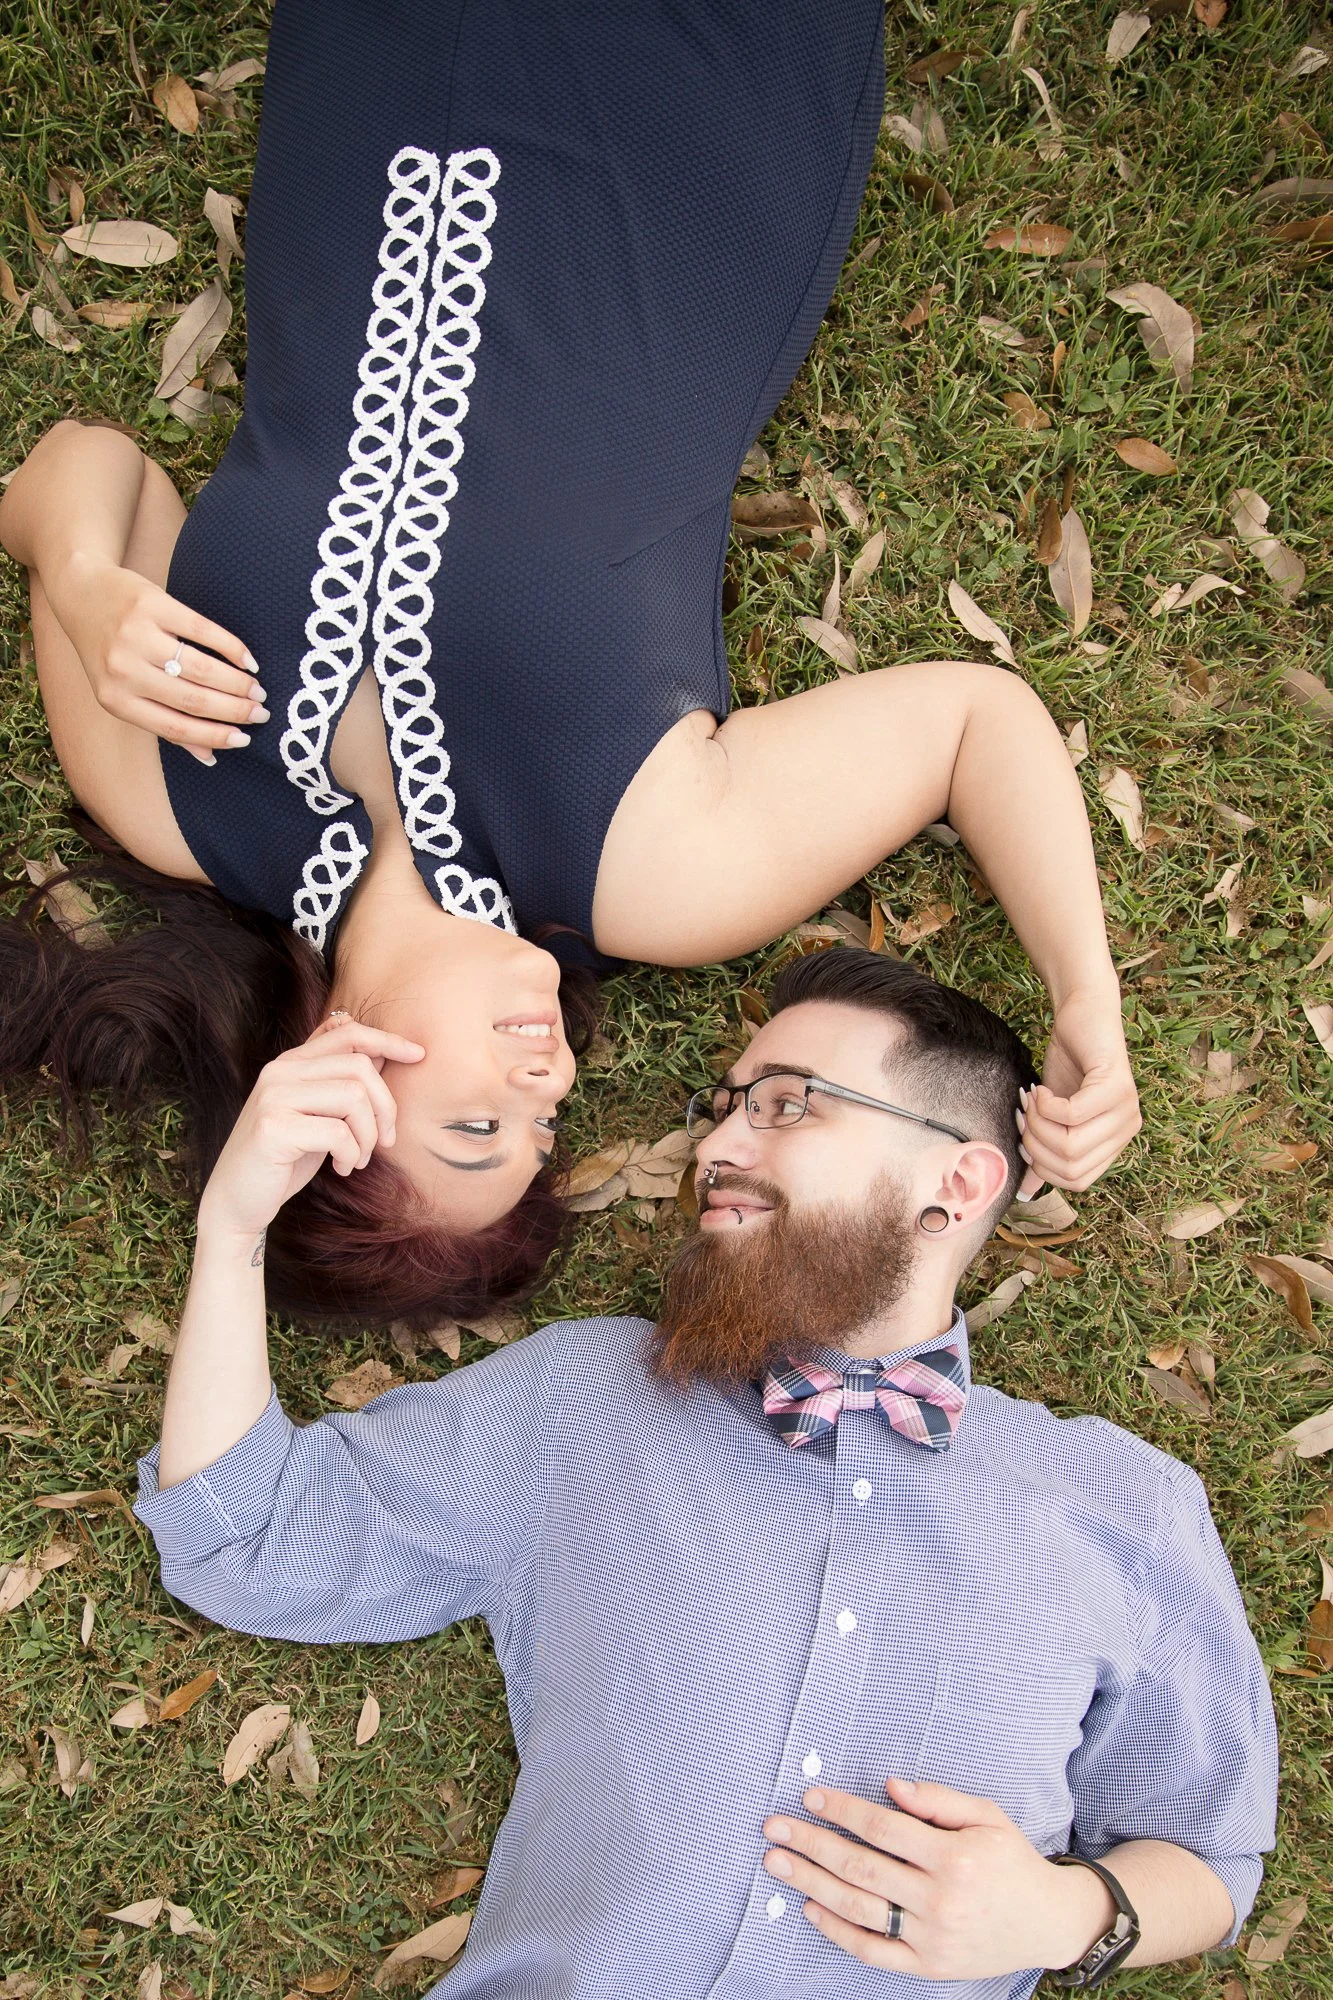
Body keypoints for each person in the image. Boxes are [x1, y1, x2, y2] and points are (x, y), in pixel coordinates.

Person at [0, 0, 1140, 1322]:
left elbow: (81, 466)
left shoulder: (178, 800)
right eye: (543, 1134)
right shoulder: (649, 871)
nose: (548, 1093)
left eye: (477, 1133)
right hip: (694, 97)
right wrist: (1084, 995)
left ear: (331, 1086)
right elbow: (971, 726)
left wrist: (85, 586)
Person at [135, 947, 1275, 1999]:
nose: (715, 1147)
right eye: (723, 1108)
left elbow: (1212, 1854)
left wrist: (1070, 1910)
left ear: (958, 1184)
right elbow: (248, 1535)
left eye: (786, 1104)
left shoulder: (1122, 1502)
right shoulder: (586, 1400)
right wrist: (232, 1224)